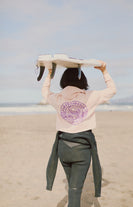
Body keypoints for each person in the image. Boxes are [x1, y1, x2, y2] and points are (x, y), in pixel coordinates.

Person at [41, 60, 116, 207]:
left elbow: (44, 92)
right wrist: (104, 71)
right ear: (83, 81)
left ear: (64, 80)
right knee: (75, 190)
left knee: (72, 186)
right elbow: (112, 90)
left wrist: (49, 74)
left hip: (63, 148)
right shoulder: (91, 96)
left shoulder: (58, 98)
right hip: (81, 151)